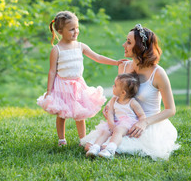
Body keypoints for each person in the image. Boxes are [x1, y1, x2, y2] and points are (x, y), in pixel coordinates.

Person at [81, 24, 180, 160]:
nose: (123, 45)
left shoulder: (158, 73)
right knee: (90, 145)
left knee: (115, 148)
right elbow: (120, 95)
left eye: (128, 42)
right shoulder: (123, 66)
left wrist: (144, 122)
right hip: (122, 121)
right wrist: (110, 108)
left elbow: (170, 110)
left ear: (139, 47)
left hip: (146, 125)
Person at [37, 11, 125, 147]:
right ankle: (61, 139)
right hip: (62, 86)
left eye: (77, 28)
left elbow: (98, 57)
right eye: (72, 29)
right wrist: (49, 91)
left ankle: (83, 139)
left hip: (78, 85)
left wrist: (115, 62)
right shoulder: (57, 50)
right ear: (60, 31)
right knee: (62, 114)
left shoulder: (80, 46)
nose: (76, 31)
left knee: (80, 114)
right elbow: (52, 71)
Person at [86, 73, 146, 159]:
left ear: (123, 92)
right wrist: (111, 124)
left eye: (115, 85)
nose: (112, 86)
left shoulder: (133, 102)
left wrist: (140, 124)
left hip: (127, 124)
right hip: (116, 122)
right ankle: (95, 147)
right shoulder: (114, 99)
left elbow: (142, 115)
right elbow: (110, 112)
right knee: (105, 131)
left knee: (118, 130)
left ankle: (110, 149)